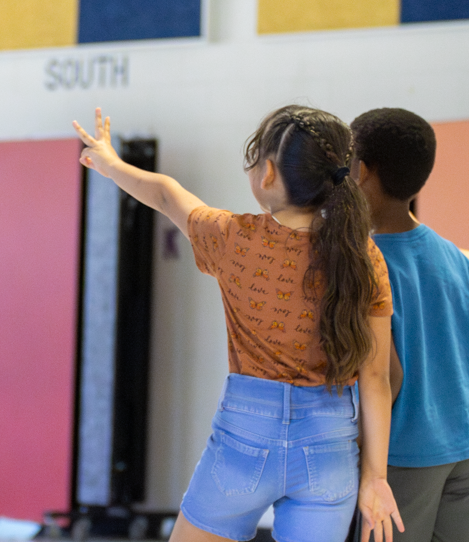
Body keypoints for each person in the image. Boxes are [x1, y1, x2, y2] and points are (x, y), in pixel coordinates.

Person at [74, 106, 405, 542]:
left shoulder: (233, 237)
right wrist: (375, 478)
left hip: (244, 439)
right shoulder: (362, 255)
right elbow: (376, 377)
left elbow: (165, 194)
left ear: (268, 173)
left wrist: (110, 163)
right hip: (330, 448)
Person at [350, 108, 469, 541]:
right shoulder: (457, 257)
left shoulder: (364, 265)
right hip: (463, 447)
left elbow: (388, 376)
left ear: (360, 171)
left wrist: (361, 460)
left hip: (404, 457)